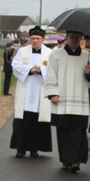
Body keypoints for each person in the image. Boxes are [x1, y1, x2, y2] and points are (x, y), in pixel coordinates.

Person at [44, 31, 90, 173]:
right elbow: (51, 75)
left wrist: (89, 74)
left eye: (77, 38)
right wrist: (52, 93)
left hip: (80, 99)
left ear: (81, 40)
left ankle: (76, 161)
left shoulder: (87, 57)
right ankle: (66, 160)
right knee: (64, 131)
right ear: (67, 38)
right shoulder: (56, 55)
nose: (74, 40)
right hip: (62, 98)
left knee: (78, 131)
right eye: (72, 37)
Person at [10, 25, 53, 158]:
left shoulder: (49, 53)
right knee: (23, 120)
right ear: (29, 38)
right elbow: (15, 66)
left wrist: (41, 70)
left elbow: (54, 70)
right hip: (26, 88)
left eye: (38, 38)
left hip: (41, 89)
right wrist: (30, 69)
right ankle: (20, 148)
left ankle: (35, 148)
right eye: (33, 38)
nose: (35, 41)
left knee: (38, 121)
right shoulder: (22, 51)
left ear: (43, 39)